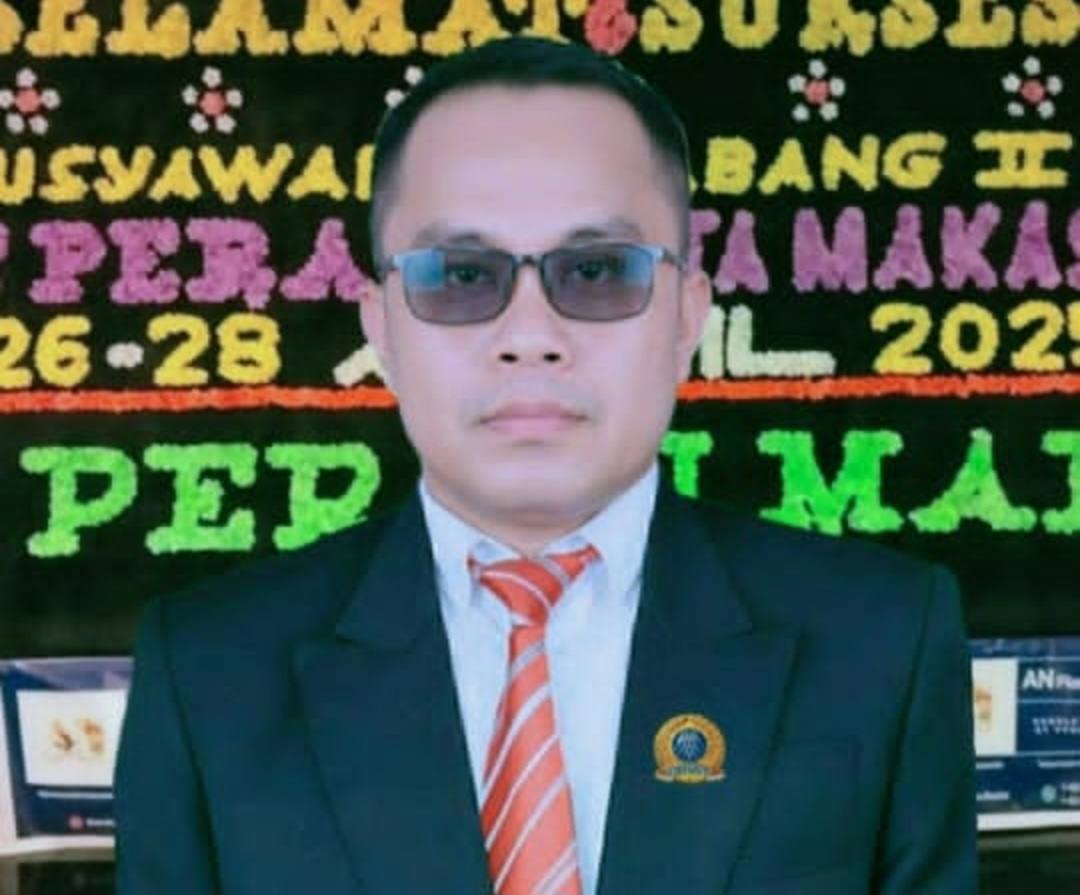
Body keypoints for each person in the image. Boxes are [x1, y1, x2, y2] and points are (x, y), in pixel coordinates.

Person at [114, 35, 977, 895]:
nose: (530, 336)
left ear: (687, 316)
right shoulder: (208, 672)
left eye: (597, 270)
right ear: (380, 327)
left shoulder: (885, 640)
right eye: (461, 275)